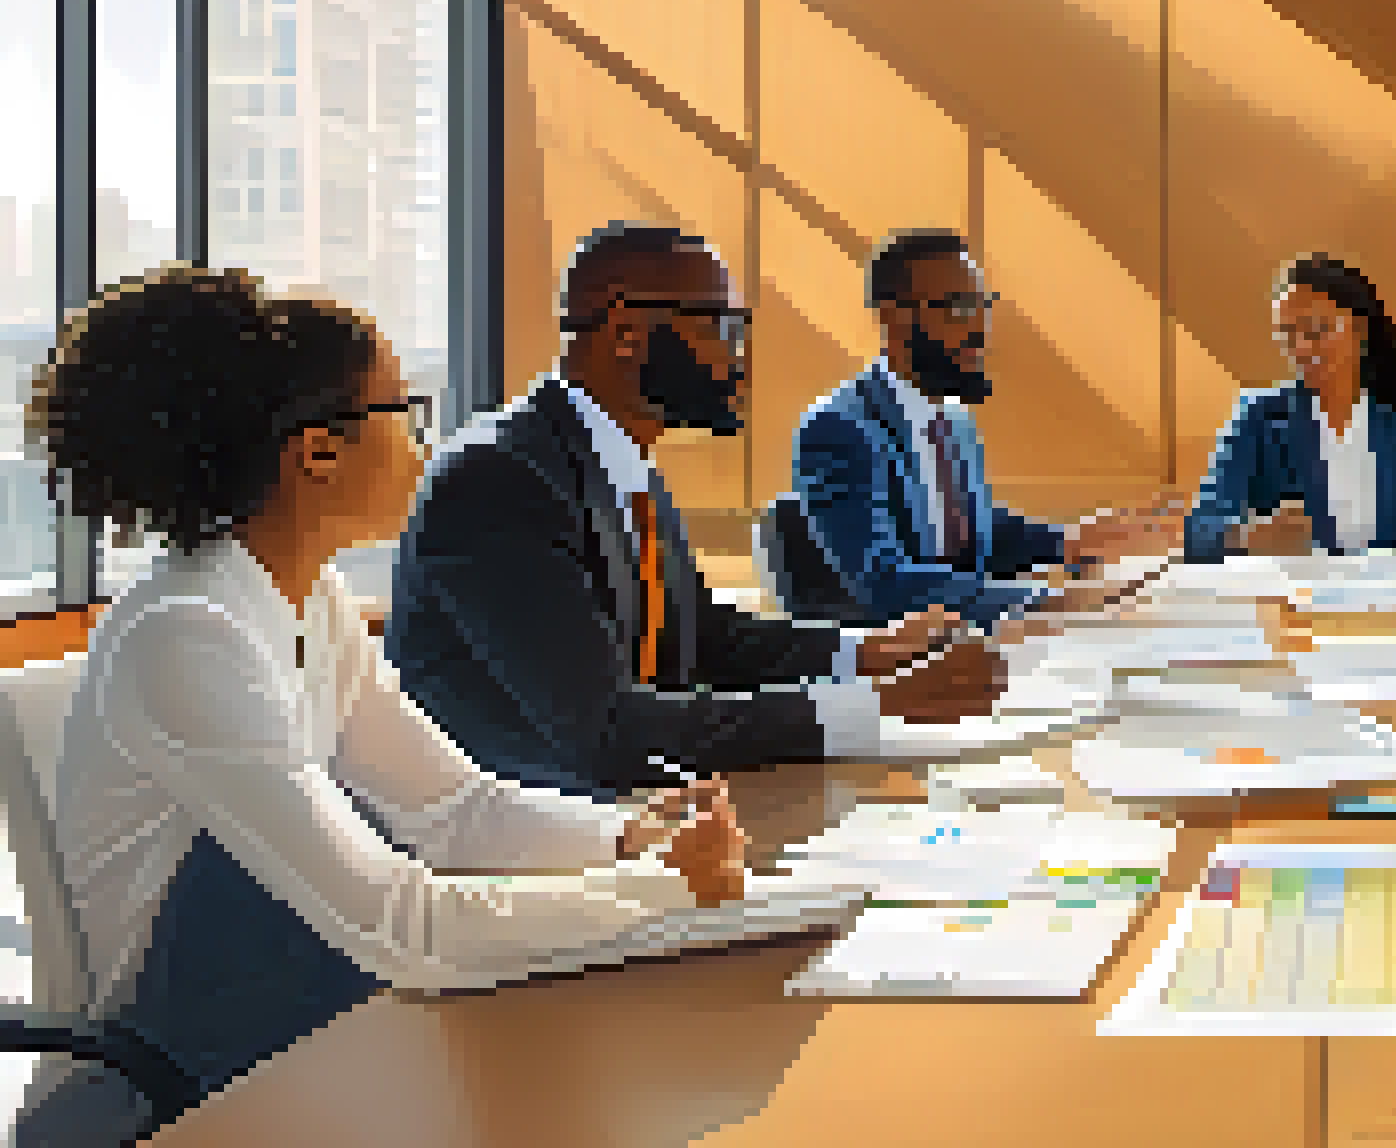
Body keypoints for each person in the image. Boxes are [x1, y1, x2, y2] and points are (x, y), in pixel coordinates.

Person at [19, 268, 757, 1140]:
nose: (424, 448)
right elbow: (396, 922)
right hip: (199, 1075)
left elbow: (454, 810)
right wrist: (662, 890)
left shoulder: (309, 597)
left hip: (312, 1020)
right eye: (404, 414)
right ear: (318, 449)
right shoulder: (187, 636)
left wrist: (629, 834)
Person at [385, 222, 1002, 798]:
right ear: (626, 332)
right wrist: (875, 706)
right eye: (723, 328)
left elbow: (700, 638)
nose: (741, 359)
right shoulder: (498, 480)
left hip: (640, 813)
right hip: (528, 847)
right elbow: (603, 727)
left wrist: (867, 653)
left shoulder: (620, 460)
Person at [783, 229, 1182, 629]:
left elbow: (977, 534)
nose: (979, 329)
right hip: (902, 659)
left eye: (983, 307)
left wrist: (1070, 542)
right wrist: (1044, 599)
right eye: (959, 308)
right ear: (894, 315)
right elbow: (884, 582)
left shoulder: (953, 421)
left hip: (974, 640)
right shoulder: (840, 428)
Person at [1182, 253, 1396, 563]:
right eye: (1288, 334)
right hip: (1293, 606)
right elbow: (1202, 527)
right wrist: (1246, 538)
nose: (1301, 348)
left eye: (1318, 331)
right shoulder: (1257, 417)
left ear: (1360, 328)